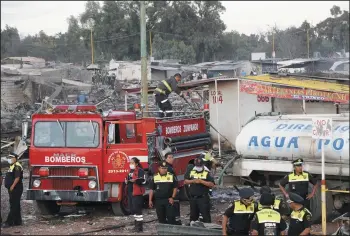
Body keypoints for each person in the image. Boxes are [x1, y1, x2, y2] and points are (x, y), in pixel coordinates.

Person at [184, 157, 215, 223]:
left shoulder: (206, 171)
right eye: (197, 166)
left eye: (200, 166)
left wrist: (202, 181)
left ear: (203, 165)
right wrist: (193, 181)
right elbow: (185, 181)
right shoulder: (191, 171)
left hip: (203, 198)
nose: (198, 167)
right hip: (193, 198)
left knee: (206, 216)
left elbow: (212, 184)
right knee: (193, 217)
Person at [2, 153, 23, 228]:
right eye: (9, 157)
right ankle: (18, 221)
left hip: (16, 188)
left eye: (11, 157)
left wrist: (12, 186)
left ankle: (9, 222)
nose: (10, 159)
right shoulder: (12, 166)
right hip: (12, 188)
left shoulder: (17, 166)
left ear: (15, 158)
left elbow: (17, 178)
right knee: (15, 204)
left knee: (14, 205)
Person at [126, 157, 146, 232]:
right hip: (130, 192)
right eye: (130, 163)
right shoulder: (130, 170)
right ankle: (136, 226)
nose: (131, 164)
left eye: (132, 163)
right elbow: (128, 179)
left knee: (138, 210)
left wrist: (135, 180)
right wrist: (127, 181)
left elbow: (143, 181)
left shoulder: (140, 170)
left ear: (136, 163)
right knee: (133, 209)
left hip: (137, 193)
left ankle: (139, 227)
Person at [164, 153, 181, 225]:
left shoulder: (170, 167)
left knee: (175, 207)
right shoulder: (168, 168)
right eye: (169, 157)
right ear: (166, 159)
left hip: (172, 190)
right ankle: (176, 223)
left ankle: (176, 222)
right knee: (173, 208)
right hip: (171, 191)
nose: (171, 159)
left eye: (172, 157)